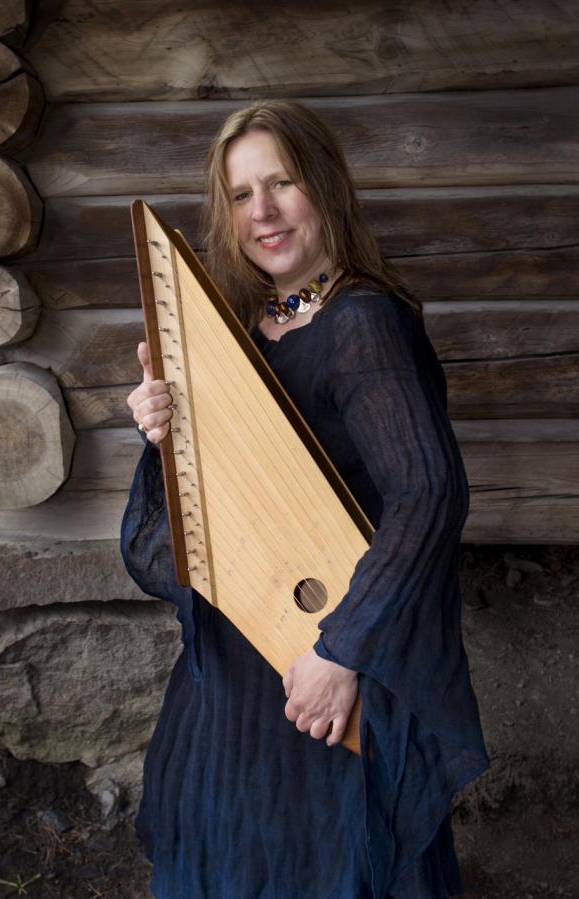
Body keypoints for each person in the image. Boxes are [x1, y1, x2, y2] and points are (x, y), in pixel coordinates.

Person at [121, 100, 489, 899]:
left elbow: (428, 493)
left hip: (322, 672)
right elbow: (174, 546)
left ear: (324, 186)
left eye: (282, 183)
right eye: (241, 194)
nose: (263, 211)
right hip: (238, 675)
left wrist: (342, 651)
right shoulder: (240, 333)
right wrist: (162, 437)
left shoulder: (364, 324)